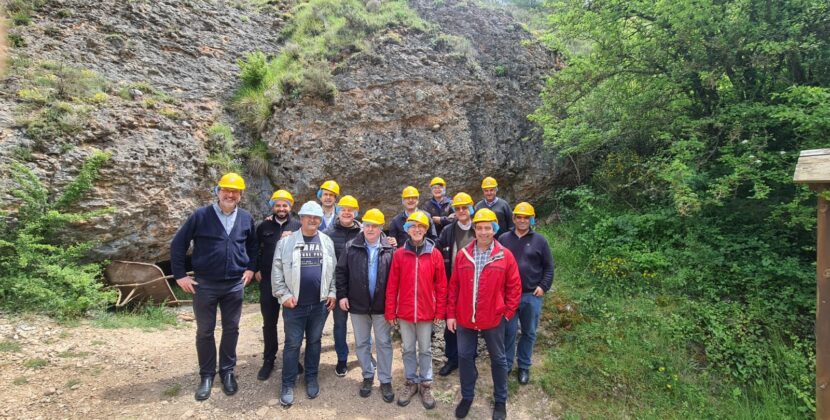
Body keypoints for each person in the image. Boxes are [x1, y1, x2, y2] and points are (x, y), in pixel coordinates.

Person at [170, 172, 257, 401]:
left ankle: (227, 372)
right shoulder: (201, 215)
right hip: (205, 285)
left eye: (235, 191)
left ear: (240, 195)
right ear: (218, 191)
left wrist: (250, 268)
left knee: (231, 329)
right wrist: (180, 275)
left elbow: (253, 246)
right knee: (205, 331)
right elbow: (178, 244)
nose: (230, 194)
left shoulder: (246, 218)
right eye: (226, 190)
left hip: (234, 285)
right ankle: (207, 375)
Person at [447, 208, 521, 420]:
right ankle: (467, 396)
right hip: (464, 318)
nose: (484, 232)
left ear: (494, 229)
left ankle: (500, 400)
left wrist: (506, 312)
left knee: (498, 359)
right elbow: (454, 287)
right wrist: (451, 314)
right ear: (475, 230)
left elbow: (514, 287)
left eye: (488, 228)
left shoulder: (504, 255)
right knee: (464, 356)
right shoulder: (463, 255)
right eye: (479, 228)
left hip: (493, 318)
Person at [272, 201, 337, 407]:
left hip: (319, 305)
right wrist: (283, 296)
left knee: (315, 342)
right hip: (294, 305)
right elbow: (277, 272)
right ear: (300, 218)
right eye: (308, 216)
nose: (312, 220)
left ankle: (311, 377)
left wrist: (333, 292)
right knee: (292, 344)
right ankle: (288, 383)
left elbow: (333, 271)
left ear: (320, 220)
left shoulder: (326, 241)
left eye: (316, 217)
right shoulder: (286, 243)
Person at [385, 211, 447, 410]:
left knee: (426, 349)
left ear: (426, 229)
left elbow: (441, 285)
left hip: (427, 311)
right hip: (404, 311)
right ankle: (411, 382)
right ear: (407, 229)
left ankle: (426, 384)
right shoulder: (400, 254)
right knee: (409, 348)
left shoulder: (434, 254)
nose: (417, 229)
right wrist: (390, 311)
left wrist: (440, 311)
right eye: (413, 226)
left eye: (421, 226)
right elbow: (392, 285)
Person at [335, 208, 396, 402]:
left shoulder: (390, 249)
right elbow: (341, 272)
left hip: (381, 306)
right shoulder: (351, 246)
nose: (370, 229)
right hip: (358, 305)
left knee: (384, 343)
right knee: (361, 343)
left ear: (380, 228)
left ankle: (385, 380)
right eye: (367, 225)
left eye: (375, 226)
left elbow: (396, 280)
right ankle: (368, 375)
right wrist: (342, 295)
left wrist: (393, 305)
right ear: (363, 227)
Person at [498, 202, 555, 385]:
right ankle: (506, 365)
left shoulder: (540, 240)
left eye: (526, 217)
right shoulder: (504, 239)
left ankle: (523, 366)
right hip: (509, 295)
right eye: (519, 217)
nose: (522, 220)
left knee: (529, 332)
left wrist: (543, 286)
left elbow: (549, 267)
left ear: (531, 219)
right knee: (509, 331)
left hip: (531, 295)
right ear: (513, 218)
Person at [253, 189, 301, 381]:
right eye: (278, 205)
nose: (281, 208)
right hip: (267, 280)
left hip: (291, 281)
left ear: (291, 207)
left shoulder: (298, 225)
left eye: (285, 205)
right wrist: (255, 268)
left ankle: (293, 358)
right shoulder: (262, 225)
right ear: (272, 206)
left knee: (293, 322)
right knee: (269, 322)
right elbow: (254, 248)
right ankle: (269, 360)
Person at [435, 192, 477, 377]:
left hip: (475, 285)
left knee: (472, 323)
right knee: (450, 324)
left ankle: (470, 360)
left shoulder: (479, 228)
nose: (461, 211)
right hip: (452, 283)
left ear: (471, 208)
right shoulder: (448, 231)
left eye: (464, 207)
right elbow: (436, 253)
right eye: (458, 208)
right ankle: (452, 359)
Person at [323, 195, 363, 377]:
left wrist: (392, 241)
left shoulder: (363, 233)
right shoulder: (328, 233)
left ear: (356, 212)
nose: (347, 212)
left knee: (363, 325)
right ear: (338, 211)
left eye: (351, 209)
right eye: (343, 209)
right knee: (340, 324)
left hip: (358, 288)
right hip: (337, 288)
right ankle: (342, 359)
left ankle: (365, 356)